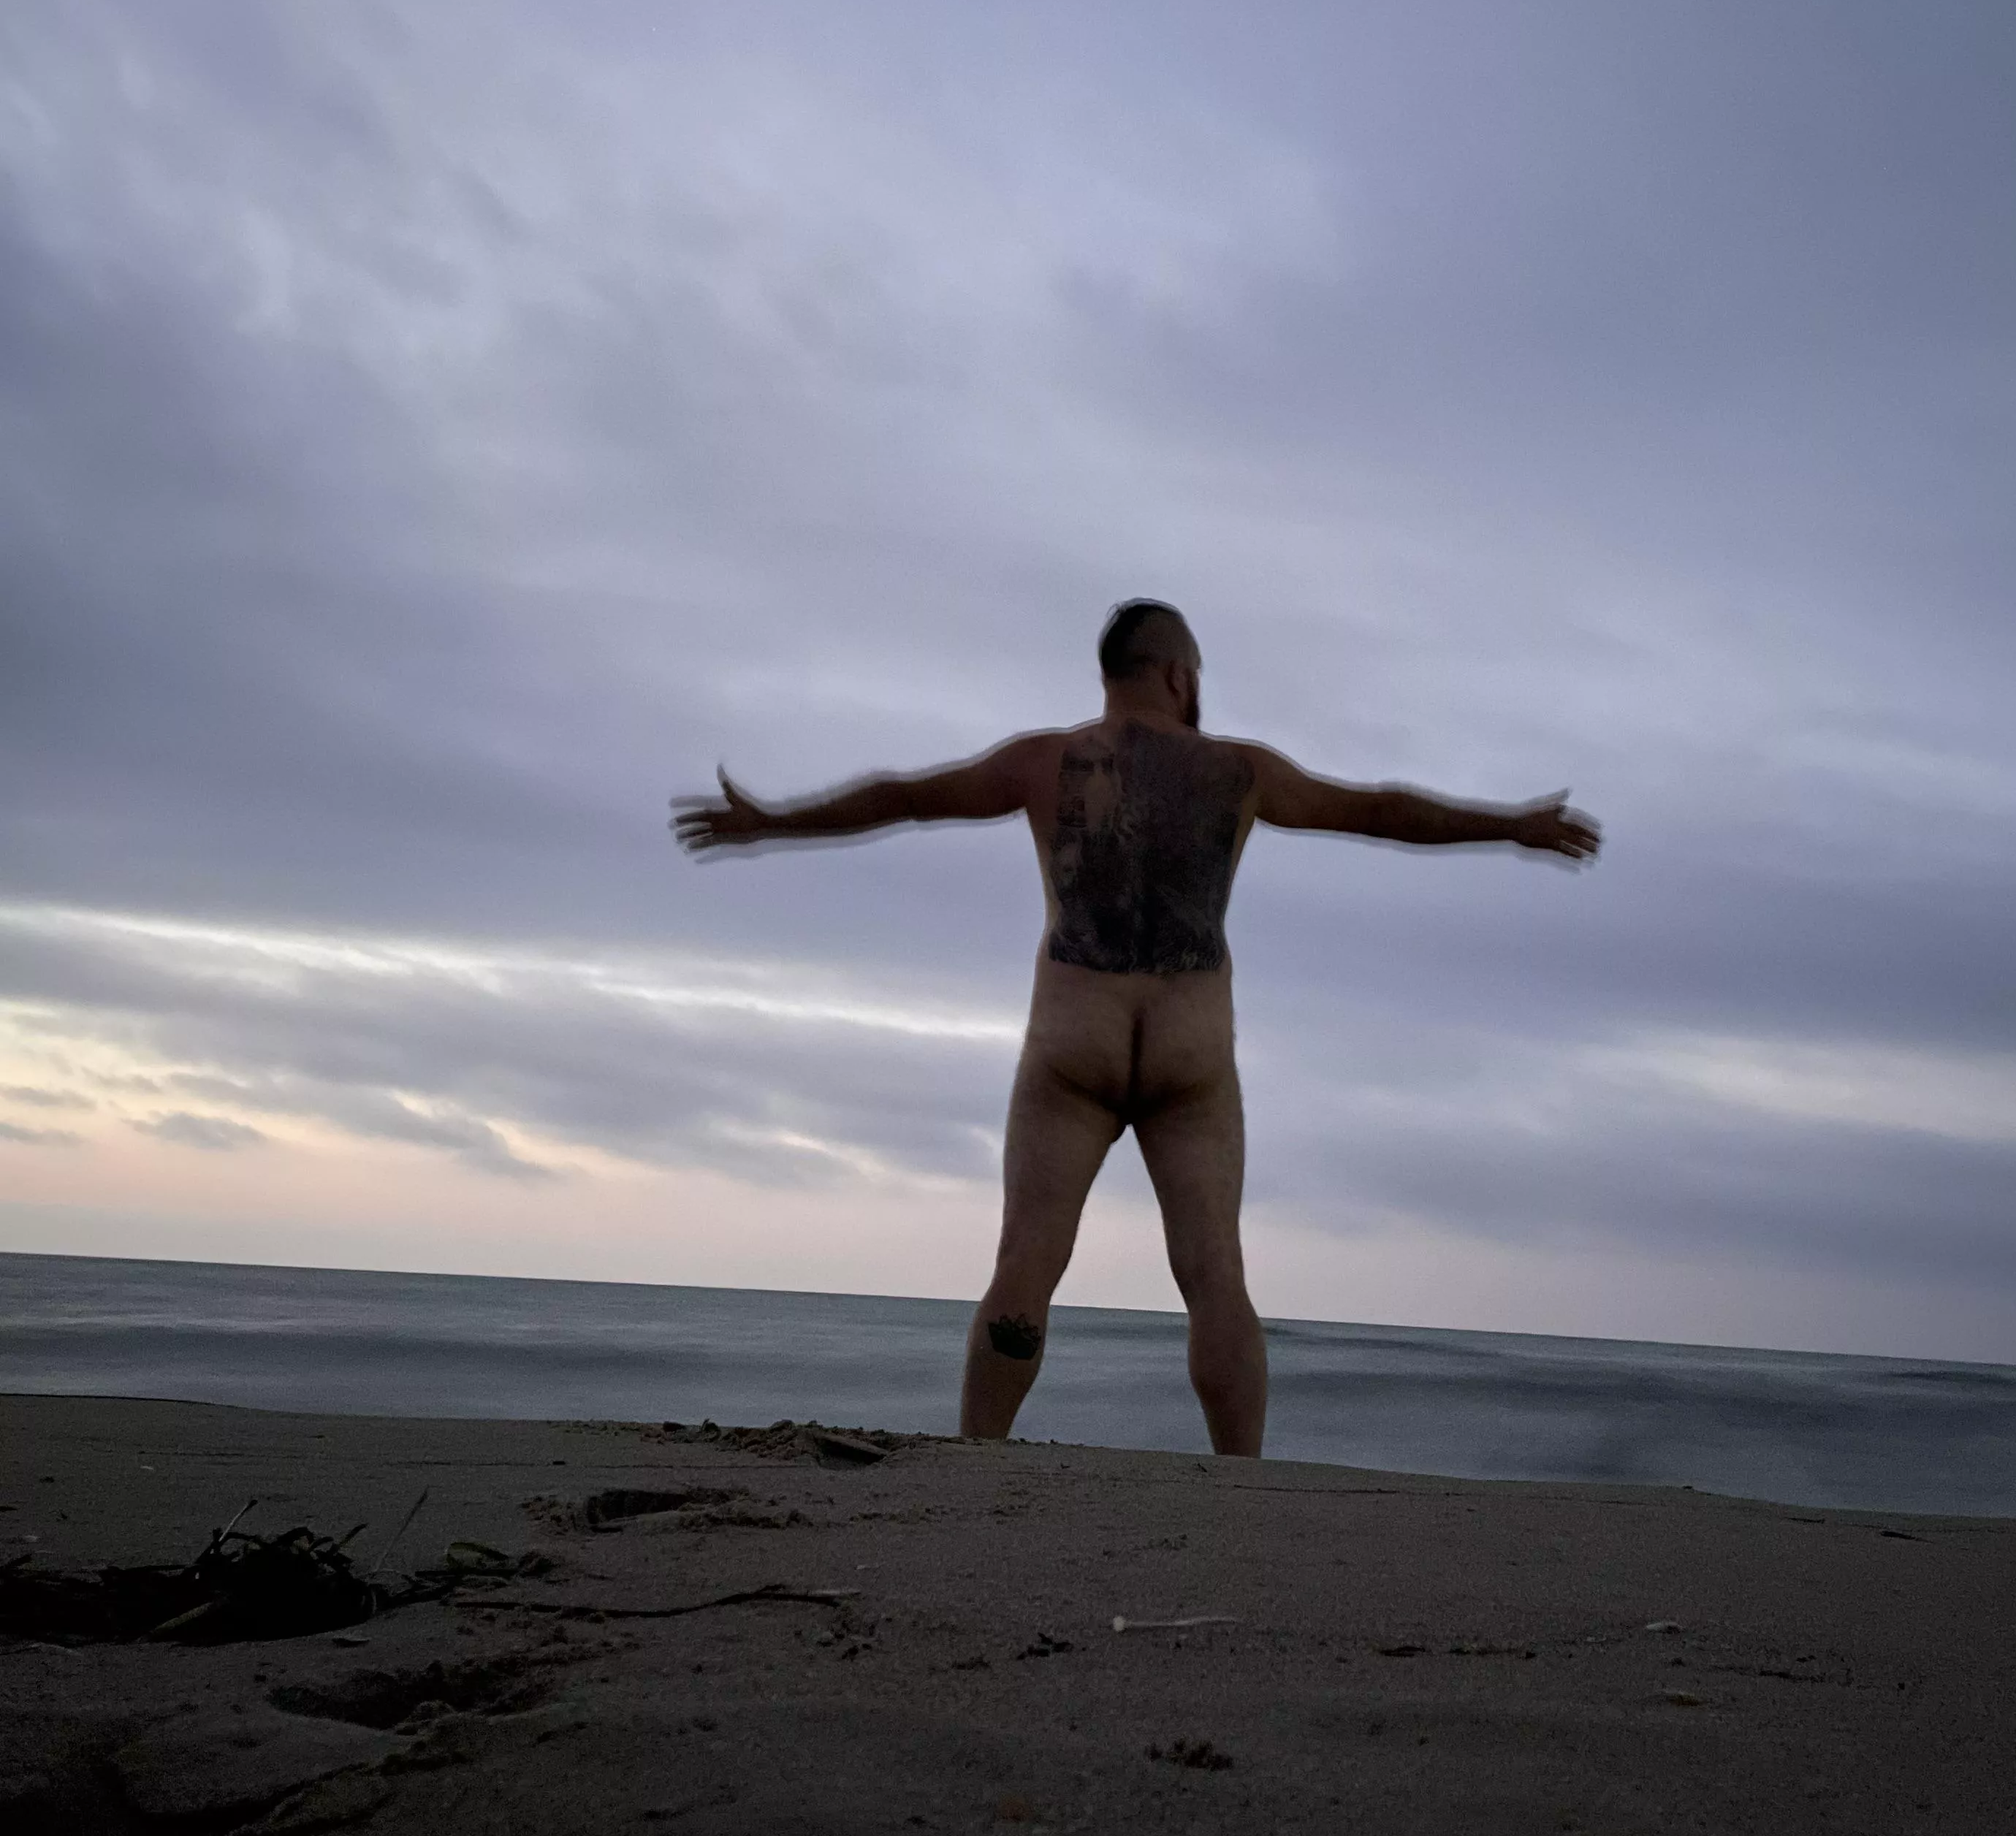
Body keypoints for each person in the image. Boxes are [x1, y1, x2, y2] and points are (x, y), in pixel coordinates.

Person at [671, 600, 1600, 1458]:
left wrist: (772, 822)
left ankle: (976, 1463)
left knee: (1028, 1256)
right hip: (1191, 1060)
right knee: (1214, 1276)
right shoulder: (1242, 772)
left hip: (1074, 1048)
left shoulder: (1045, 762)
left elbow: (904, 796)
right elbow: (1381, 810)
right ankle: (1239, 1478)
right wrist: (1509, 825)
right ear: (1176, 674)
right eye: (1197, 673)